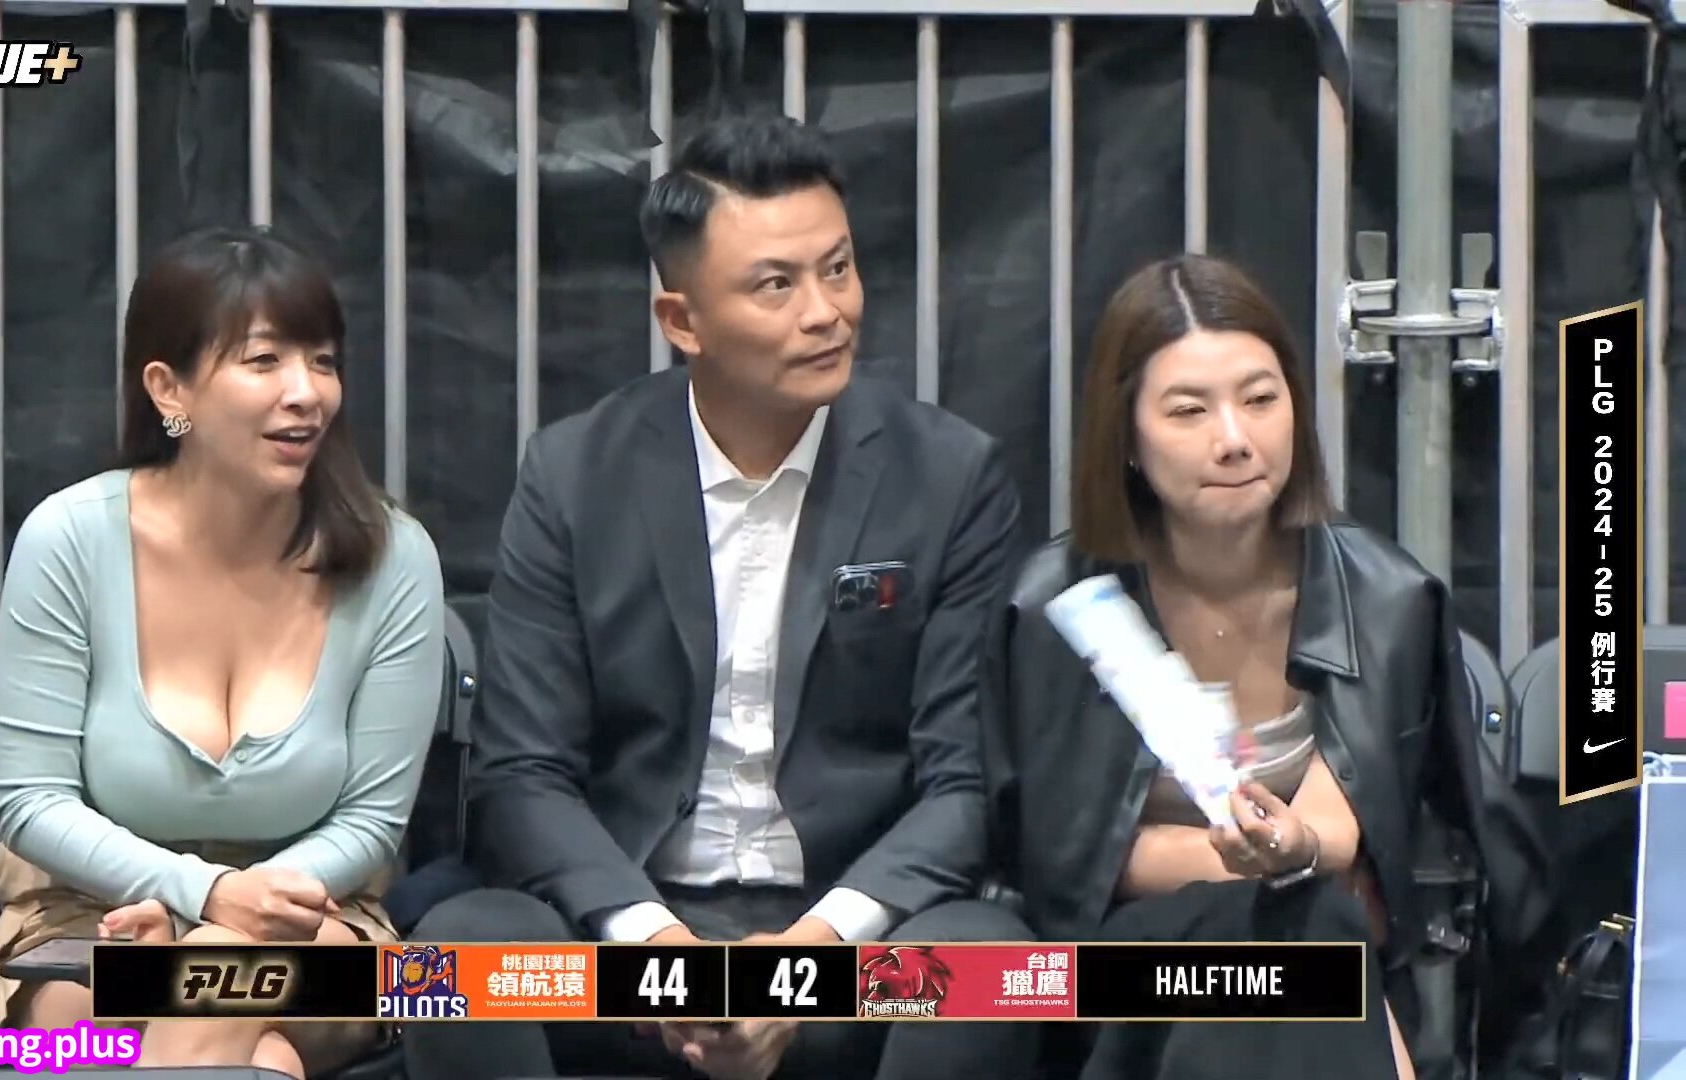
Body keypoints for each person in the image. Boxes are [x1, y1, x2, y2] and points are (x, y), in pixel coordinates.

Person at [402, 114, 1040, 1079]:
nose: (826, 313)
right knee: (451, 961)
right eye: (776, 285)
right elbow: (522, 774)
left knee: (991, 968)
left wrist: (808, 958)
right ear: (682, 321)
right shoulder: (575, 474)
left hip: (848, 939)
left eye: (838, 269)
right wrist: (657, 948)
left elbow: (962, 787)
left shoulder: (949, 476)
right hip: (628, 929)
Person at [980, 253, 1549, 1080]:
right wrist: (1265, 864)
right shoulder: (1054, 607)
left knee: (1306, 936)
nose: (1235, 440)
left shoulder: (1384, 597)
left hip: (1312, 951)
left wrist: (1294, 847)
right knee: (1299, 927)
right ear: (1126, 437)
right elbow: (1066, 859)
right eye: (1189, 411)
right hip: (1117, 971)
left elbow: (1343, 822)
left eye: (1260, 399)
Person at [0, 226, 446, 1078]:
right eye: (265, 361)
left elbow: (373, 821)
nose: (307, 393)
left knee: (222, 975)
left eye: (324, 362)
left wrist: (232, 915)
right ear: (170, 388)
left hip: (318, 917)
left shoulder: (394, 557)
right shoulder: (70, 540)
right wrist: (197, 893)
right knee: (257, 1055)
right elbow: (31, 802)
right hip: (92, 915)